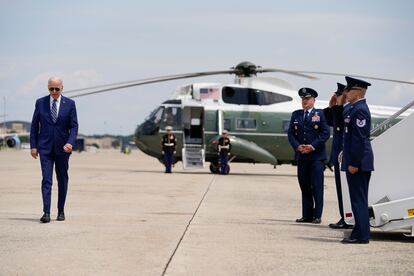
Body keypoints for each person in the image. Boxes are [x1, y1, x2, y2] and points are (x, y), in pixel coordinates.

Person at [30, 77, 78, 223]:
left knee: (62, 180)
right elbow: (34, 126)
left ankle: (61, 211)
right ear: (48, 88)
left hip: (63, 149)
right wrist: (33, 146)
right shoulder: (40, 103)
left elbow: (74, 126)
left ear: (62, 87)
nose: (54, 91)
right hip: (44, 148)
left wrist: (70, 143)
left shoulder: (70, 104)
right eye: (51, 89)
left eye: (57, 89)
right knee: (46, 180)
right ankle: (46, 213)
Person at [288, 88, 330, 224]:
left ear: (313, 100)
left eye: (307, 99)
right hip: (302, 157)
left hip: (316, 157)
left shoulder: (320, 114)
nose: (304, 101)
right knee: (304, 186)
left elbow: (325, 133)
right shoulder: (296, 115)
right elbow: (290, 134)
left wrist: (312, 146)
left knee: (317, 186)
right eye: (303, 99)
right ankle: (306, 215)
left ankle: (317, 215)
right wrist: (297, 146)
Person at [341, 76, 374, 244]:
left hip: (358, 163)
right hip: (354, 161)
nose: (346, 92)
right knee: (355, 199)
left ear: (359, 92)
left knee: (359, 200)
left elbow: (359, 140)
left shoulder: (360, 109)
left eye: (349, 89)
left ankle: (362, 236)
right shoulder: (353, 108)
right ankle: (357, 231)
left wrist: (354, 162)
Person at [323, 83, 352, 229]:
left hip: (346, 158)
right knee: (341, 190)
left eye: (339, 95)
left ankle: (347, 218)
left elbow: (339, 121)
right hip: (339, 158)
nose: (336, 97)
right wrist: (331, 106)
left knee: (345, 191)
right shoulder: (340, 111)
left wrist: (338, 106)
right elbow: (329, 121)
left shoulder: (349, 111)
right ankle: (344, 217)